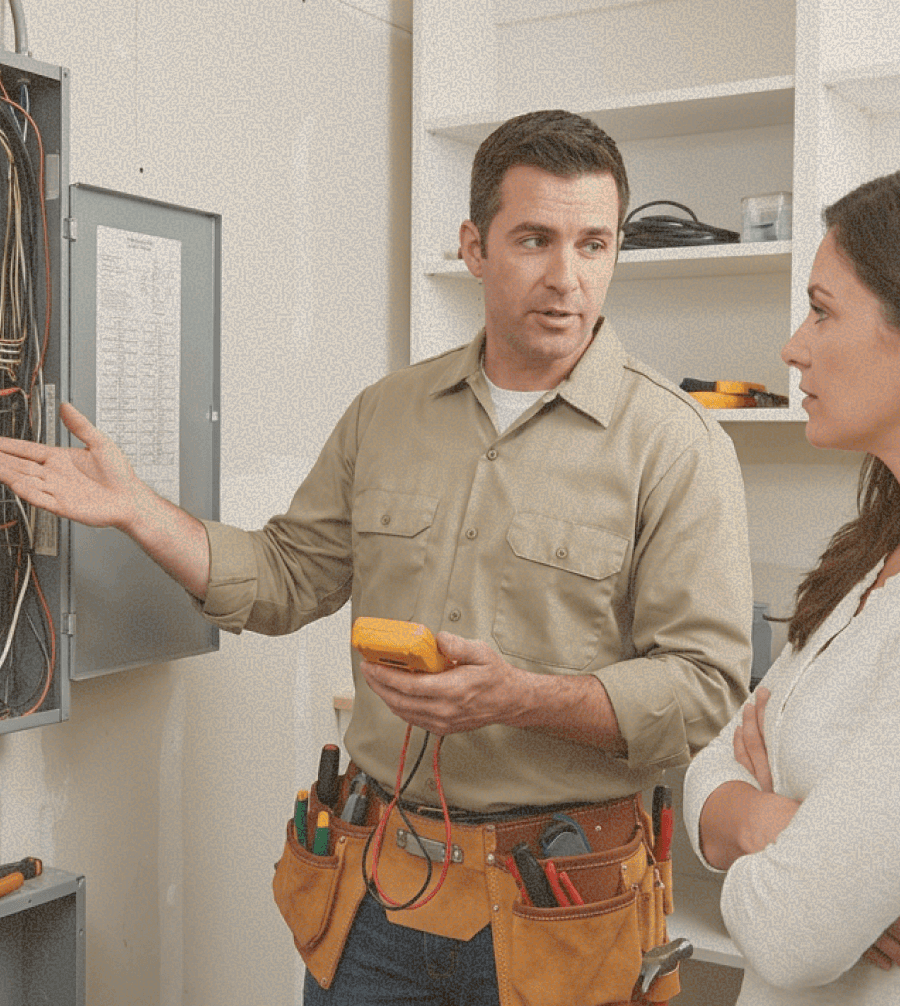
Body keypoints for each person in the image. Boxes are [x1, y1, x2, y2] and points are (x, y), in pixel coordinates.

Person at [0, 110, 752, 1005]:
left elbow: (707, 688)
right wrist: (135, 512)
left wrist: (523, 697)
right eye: (534, 239)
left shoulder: (676, 443)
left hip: (564, 908)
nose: (566, 277)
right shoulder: (387, 412)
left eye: (594, 244)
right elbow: (283, 579)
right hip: (376, 898)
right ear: (474, 246)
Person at [683, 170, 900, 1005]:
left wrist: (767, 837)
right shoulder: (871, 557)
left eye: (822, 309)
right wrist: (771, 823)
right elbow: (714, 759)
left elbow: (790, 930)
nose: (792, 347)